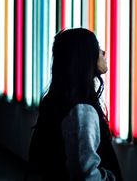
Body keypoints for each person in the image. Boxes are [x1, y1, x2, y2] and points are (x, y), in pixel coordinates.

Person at [29, 28, 122, 181]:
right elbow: (85, 176)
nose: (103, 52)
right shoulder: (81, 111)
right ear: (85, 57)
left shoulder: (59, 103)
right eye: (97, 48)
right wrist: (110, 177)